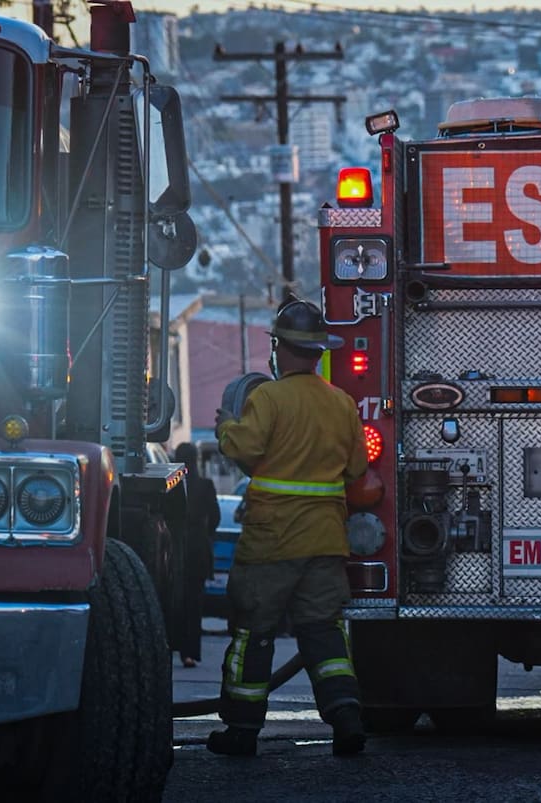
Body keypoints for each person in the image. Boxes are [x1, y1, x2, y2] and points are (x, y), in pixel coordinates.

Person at [208, 297, 368, 758]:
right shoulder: (341, 403)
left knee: (252, 634)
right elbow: (356, 468)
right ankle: (347, 719)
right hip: (325, 541)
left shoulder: (268, 398)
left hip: (271, 543)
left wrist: (225, 428)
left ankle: (241, 731)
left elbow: (246, 447)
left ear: (280, 349)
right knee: (323, 634)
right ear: (318, 351)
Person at [173, 441, 221, 668]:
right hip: (197, 550)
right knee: (194, 603)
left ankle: (170, 645)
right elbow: (215, 518)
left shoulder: (171, 484)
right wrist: (204, 535)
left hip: (172, 549)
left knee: (173, 600)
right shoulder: (205, 485)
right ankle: (190, 652)